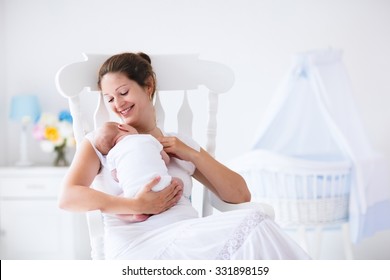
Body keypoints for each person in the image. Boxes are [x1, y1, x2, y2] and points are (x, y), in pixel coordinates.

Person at [59, 52, 310, 259]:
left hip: (187, 237)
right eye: (109, 98)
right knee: (257, 229)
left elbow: (240, 195)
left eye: (123, 93)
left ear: (148, 86)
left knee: (256, 222)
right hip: (138, 248)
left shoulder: (179, 144)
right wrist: (137, 205)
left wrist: (191, 154)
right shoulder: (105, 142)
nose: (118, 104)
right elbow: (68, 197)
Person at [92, 121, 175, 222]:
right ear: (122, 127)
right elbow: (166, 160)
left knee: (117, 210)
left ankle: (134, 216)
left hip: (135, 194)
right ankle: (174, 197)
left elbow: (115, 177)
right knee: (177, 182)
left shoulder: (111, 155)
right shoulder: (148, 138)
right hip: (162, 185)